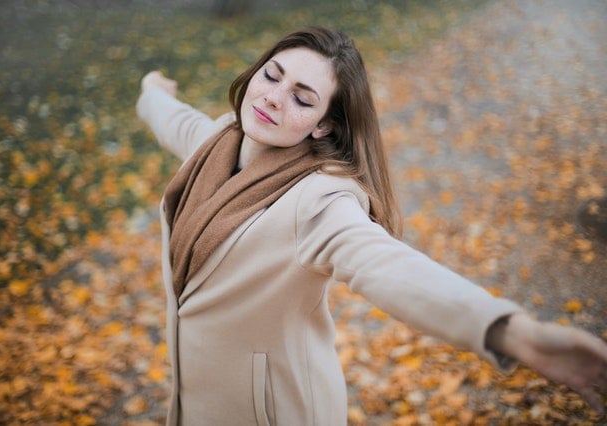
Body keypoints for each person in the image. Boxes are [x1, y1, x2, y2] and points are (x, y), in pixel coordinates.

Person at [136, 27, 607, 425]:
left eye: (302, 99)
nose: (273, 99)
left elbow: (389, 267)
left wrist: (510, 332)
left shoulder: (319, 200)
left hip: (277, 411)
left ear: (323, 125)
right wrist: (152, 90)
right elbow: (174, 120)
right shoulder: (216, 142)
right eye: (271, 75)